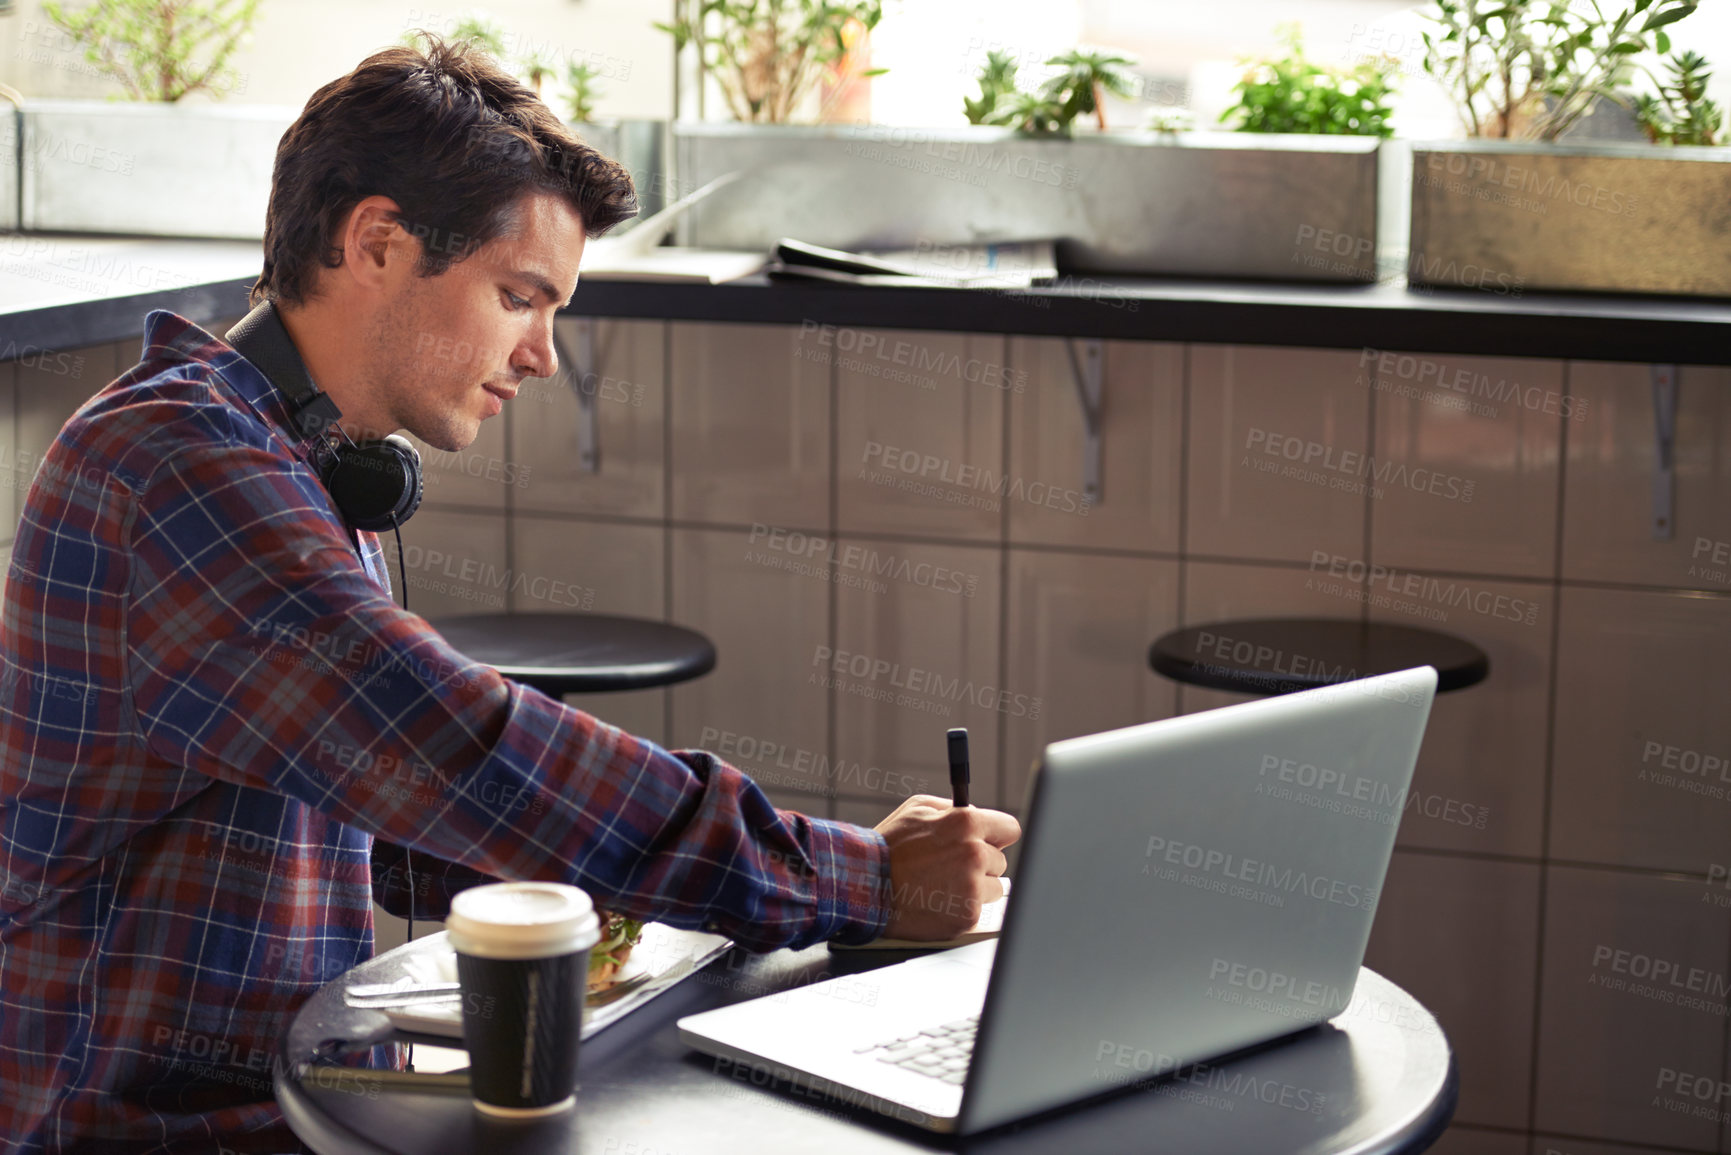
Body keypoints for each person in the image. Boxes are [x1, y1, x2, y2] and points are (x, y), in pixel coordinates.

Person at [0, 36, 1019, 1154]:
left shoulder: (300, 460)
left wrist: (714, 895)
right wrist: (850, 877)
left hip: (276, 1093)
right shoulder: (182, 470)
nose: (543, 355)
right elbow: (459, 750)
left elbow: (394, 808)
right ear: (377, 243)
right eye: (520, 296)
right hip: (135, 1129)